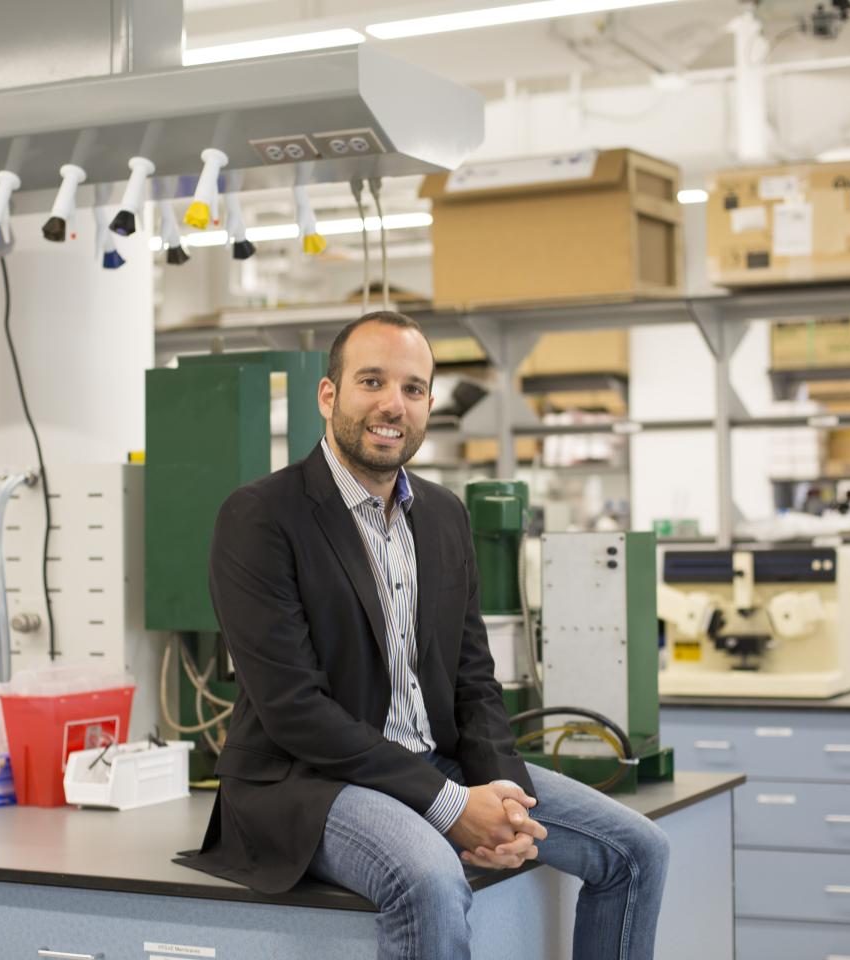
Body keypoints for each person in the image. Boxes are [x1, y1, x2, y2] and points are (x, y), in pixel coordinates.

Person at [179, 311, 669, 959]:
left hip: (439, 764)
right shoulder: (262, 516)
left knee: (640, 850)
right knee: (430, 878)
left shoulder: (442, 515)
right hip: (310, 782)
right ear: (329, 396)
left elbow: (473, 678)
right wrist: (450, 807)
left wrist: (500, 796)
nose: (393, 405)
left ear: (429, 404)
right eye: (372, 381)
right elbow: (293, 710)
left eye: (412, 389)